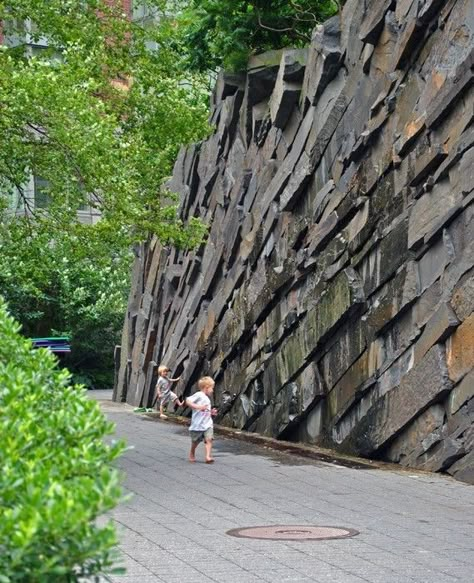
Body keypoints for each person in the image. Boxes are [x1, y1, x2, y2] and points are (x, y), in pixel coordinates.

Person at [186, 376, 218, 464]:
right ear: (206, 388)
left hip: (207, 424)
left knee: (209, 439)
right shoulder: (199, 395)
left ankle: (208, 456)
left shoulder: (207, 399)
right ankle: (192, 452)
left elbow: (206, 410)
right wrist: (198, 407)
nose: (213, 390)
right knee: (195, 441)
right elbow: (188, 401)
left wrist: (211, 412)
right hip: (198, 424)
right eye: (212, 388)